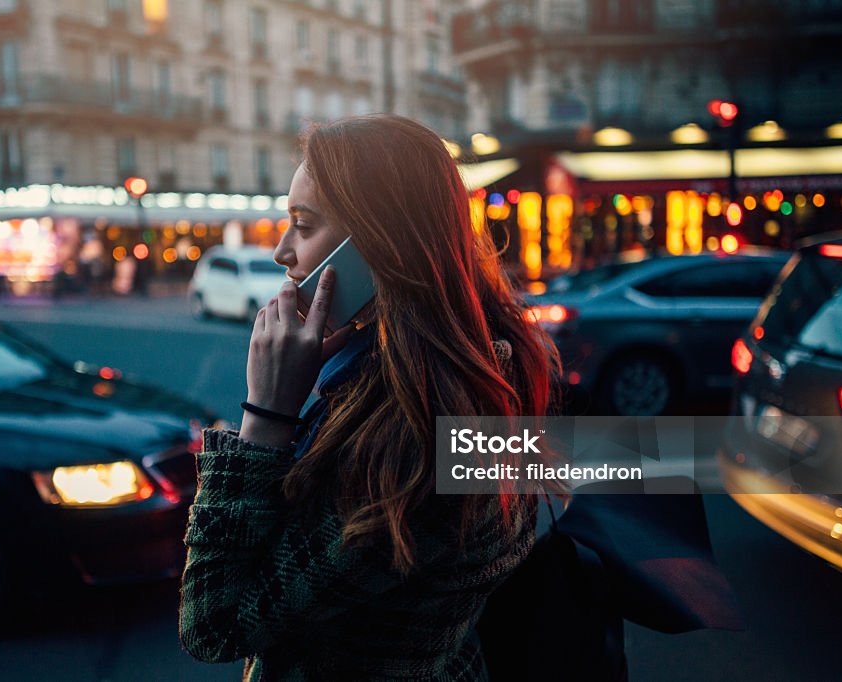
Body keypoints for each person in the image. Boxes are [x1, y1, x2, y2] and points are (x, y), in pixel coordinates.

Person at [179, 114, 559, 680]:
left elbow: (214, 624)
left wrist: (265, 416)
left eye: (303, 225)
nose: (282, 250)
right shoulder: (478, 367)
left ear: (377, 244)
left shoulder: (414, 438)